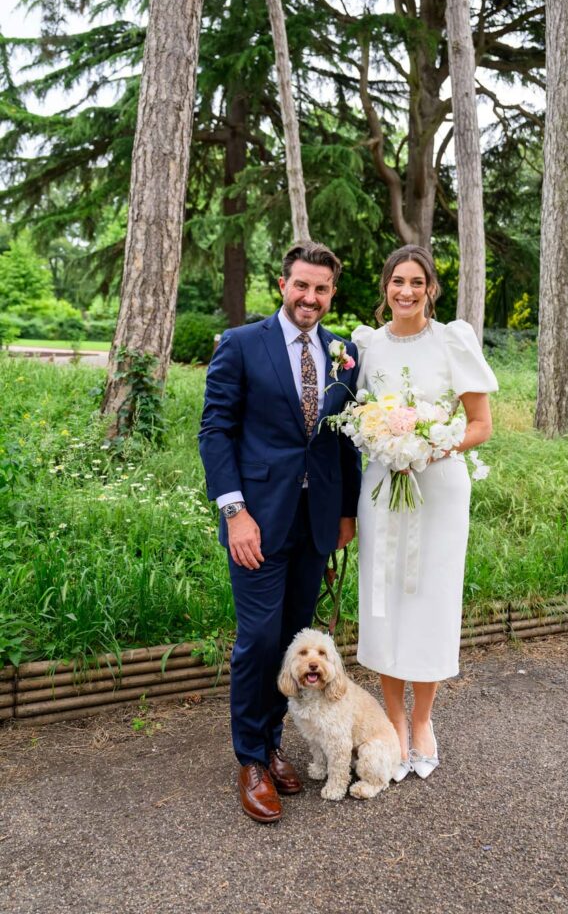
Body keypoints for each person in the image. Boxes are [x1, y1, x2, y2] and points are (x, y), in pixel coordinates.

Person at [199, 241, 361, 823]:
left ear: (331, 293)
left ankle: (272, 744)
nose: (310, 298)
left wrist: (346, 513)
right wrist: (234, 511)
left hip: (316, 526)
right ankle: (250, 758)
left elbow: (344, 438)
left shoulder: (344, 353)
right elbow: (215, 430)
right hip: (257, 524)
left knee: (296, 643)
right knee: (260, 641)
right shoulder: (242, 344)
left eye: (321, 289)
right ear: (283, 284)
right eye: (301, 286)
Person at [351, 245, 498, 781]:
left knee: (431, 601)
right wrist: (387, 444)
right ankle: (391, 721)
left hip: (437, 489)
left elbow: (479, 424)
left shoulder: (451, 340)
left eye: (417, 282)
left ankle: (423, 723)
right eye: (397, 281)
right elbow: (359, 417)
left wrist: (427, 447)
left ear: (431, 288)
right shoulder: (367, 347)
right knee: (385, 598)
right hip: (381, 488)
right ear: (385, 286)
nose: (406, 291)